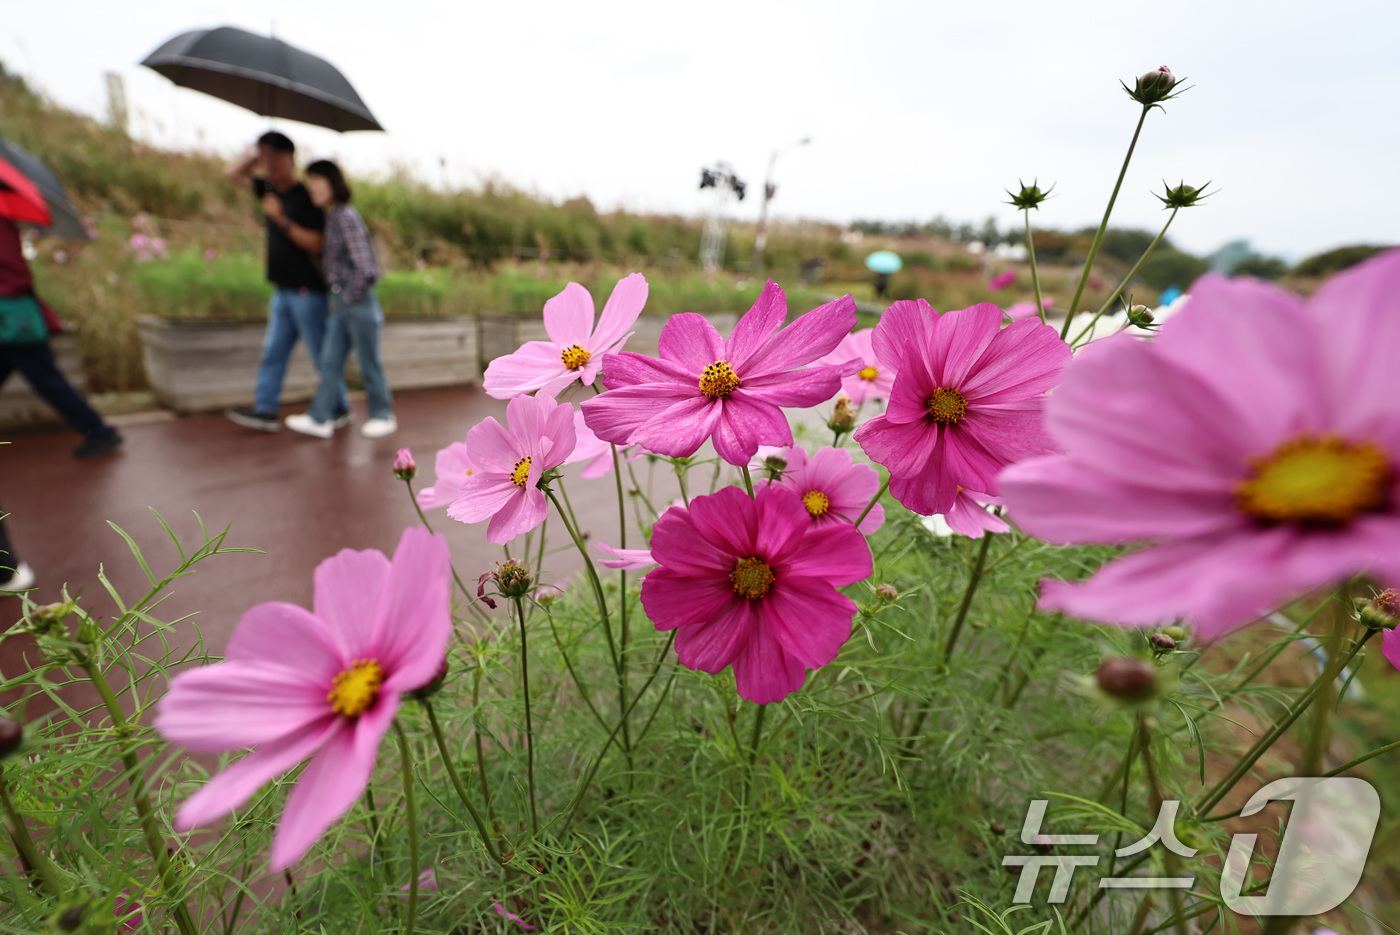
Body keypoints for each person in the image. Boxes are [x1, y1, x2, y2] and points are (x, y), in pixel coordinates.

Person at [224, 131, 349, 432]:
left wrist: (281, 219)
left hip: (307, 292)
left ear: (291, 159)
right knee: (273, 353)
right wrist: (257, 153)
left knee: (322, 355)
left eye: (276, 158)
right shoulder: (268, 189)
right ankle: (265, 410)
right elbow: (232, 174)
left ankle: (340, 407)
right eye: (266, 158)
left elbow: (317, 244)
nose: (270, 165)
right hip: (281, 291)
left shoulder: (306, 198)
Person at [286, 161, 396, 439]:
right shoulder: (333, 216)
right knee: (330, 360)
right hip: (343, 302)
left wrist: (349, 296)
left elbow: (366, 267)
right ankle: (320, 418)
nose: (311, 187)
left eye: (317, 180)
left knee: (369, 362)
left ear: (333, 183)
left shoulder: (345, 215)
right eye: (309, 180)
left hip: (356, 301)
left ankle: (383, 415)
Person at [0, 218, 122, 458]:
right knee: (47, 380)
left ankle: (98, 431)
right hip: (12, 323)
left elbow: (16, 276)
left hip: (14, 323)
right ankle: (97, 430)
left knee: (49, 382)